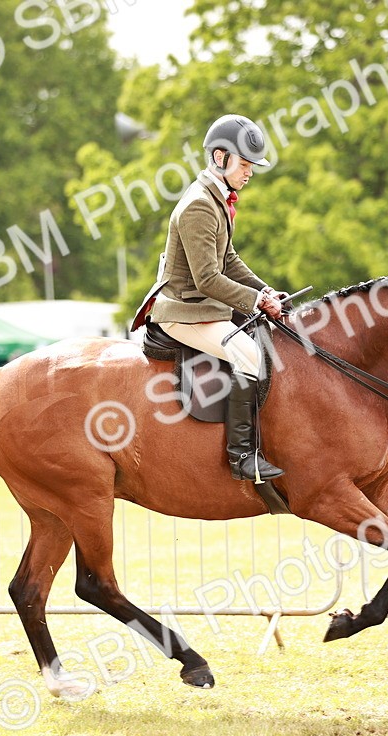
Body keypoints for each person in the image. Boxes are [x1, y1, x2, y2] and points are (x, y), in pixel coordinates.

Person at [145, 114, 290, 482]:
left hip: (204, 306)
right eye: (245, 164)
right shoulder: (198, 205)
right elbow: (207, 278)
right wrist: (256, 303)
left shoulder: (216, 199)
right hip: (183, 312)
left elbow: (229, 260)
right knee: (249, 354)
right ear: (221, 158)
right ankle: (242, 457)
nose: (250, 172)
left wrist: (264, 290)